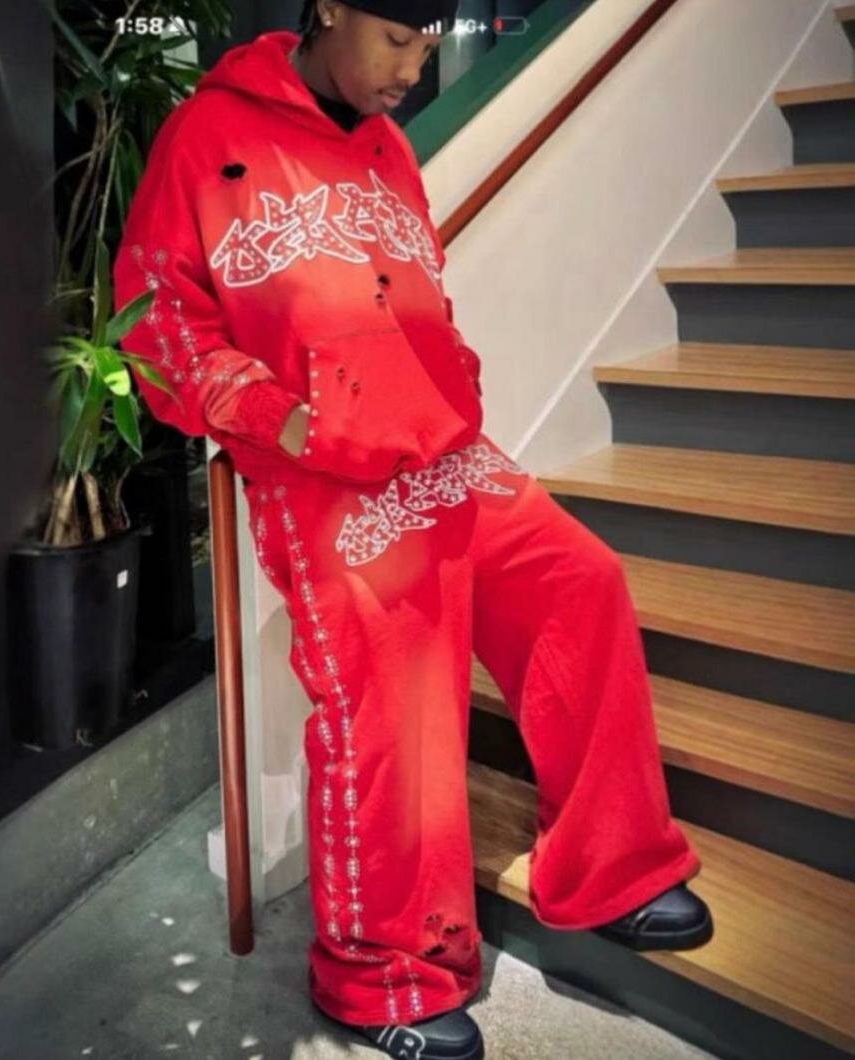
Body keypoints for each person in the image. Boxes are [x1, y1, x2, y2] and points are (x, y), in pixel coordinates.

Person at [112, 3, 713, 1057]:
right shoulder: (206, 133)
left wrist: (453, 379)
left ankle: (610, 864)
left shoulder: (390, 146)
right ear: (329, 9)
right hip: (319, 479)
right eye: (398, 41)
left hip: (440, 450)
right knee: (393, 686)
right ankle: (385, 972)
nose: (415, 69)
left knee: (581, 580)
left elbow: (418, 294)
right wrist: (284, 418)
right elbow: (157, 322)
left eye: (431, 46)